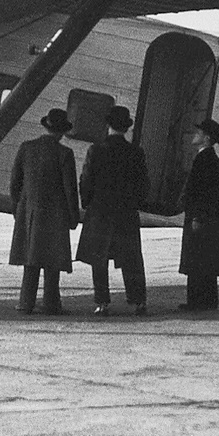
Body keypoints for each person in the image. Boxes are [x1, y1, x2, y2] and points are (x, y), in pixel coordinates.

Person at [74, 105, 148, 316]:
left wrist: (87, 203)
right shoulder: (136, 152)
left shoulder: (96, 149)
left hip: (100, 212)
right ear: (126, 128)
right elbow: (143, 184)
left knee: (100, 258)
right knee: (132, 258)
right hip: (126, 213)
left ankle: (102, 302)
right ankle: (138, 301)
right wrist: (135, 204)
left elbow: (86, 180)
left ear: (108, 125)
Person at [8, 108, 80, 315]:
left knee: (30, 259)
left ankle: (25, 302)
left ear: (45, 127)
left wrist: (18, 209)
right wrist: (73, 217)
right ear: (62, 132)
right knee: (52, 260)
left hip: (29, 211)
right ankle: (51, 303)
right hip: (55, 214)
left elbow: (15, 183)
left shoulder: (26, 148)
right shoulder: (65, 153)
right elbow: (70, 189)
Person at [178, 118, 219, 312]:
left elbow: (202, 193)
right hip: (208, 218)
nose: (195, 135)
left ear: (206, 138)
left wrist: (197, 217)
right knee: (205, 261)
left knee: (196, 260)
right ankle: (207, 300)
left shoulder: (204, 159)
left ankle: (196, 302)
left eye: (199, 133)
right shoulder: (210, 158)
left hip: (200, 218)